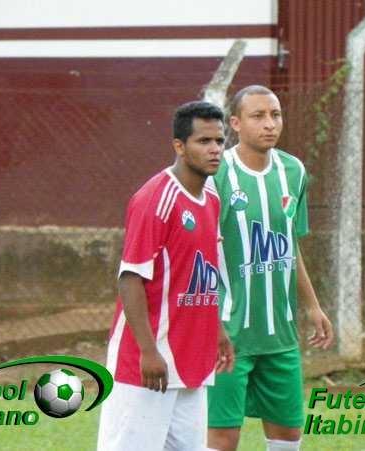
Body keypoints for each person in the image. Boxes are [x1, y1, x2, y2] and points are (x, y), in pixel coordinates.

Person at [97, 101, 234, 451]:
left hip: (192, 358)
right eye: (204, 141)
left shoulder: (212, 197)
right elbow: (130, 278)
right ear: (179, 146)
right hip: (147, 363)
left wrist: (217, 330)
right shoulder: (155, 198)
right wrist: (148, 351)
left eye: (220, 141)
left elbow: (202, 270)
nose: (215, 149)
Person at [207, 85, 334, 451]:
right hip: (229, 334)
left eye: (275, 115)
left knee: (288, 436)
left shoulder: (293, 171)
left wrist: (313, 306)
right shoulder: (217, 174)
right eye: (258, 116)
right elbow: (199, 256)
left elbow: (290, 245)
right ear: (235, 123)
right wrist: (208, 322)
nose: (269, 124)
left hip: (280, 335)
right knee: (223, 438)